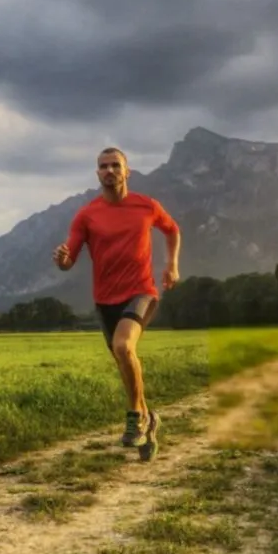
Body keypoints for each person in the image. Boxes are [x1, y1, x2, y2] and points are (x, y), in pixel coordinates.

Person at [53, 146, 181, 460]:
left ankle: (135, 419)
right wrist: (63, 260)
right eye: (103, 166)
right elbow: (69, 259)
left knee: (124, 347)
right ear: (97, 174)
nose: (109, 171)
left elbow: (172, 229)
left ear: (127, 171)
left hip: (142, 292)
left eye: (115, 165)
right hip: (104, 299)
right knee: (124, 362)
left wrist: (172, 265)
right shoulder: (87, 215)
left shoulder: (146, 206)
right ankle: (148, 418)